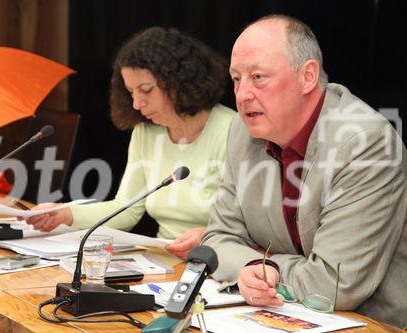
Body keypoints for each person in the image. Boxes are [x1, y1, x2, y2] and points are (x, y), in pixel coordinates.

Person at [201, 14, 406, 329]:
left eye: (258, 77)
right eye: (237, 79)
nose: (242, 96)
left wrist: (261, 262)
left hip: (372, 324)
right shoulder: (243, 133)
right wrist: (251, 265)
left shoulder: (365, 142)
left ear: (307, 76)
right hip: (283, 316)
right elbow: (216, 238)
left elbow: (335, 285)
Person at [26, 27, 235, 260]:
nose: (136, 103)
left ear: (180, 81)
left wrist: (208, 234)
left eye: (146, 90)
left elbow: (248, 228)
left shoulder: (233, 132)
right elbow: (127, 208)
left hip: (216, 263)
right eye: (130, 92)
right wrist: (64, 214)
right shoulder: (145, 132)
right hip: (162, 262)